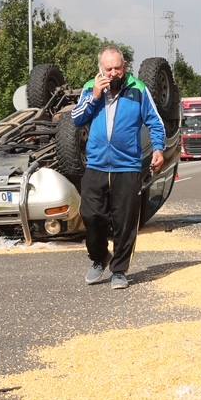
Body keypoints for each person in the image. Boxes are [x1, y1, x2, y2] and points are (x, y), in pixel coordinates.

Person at [71, 47, 167, 289]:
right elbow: (77, 118)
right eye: (108, 69)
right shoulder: (89, 88)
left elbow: (155, 122)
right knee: (91, 215)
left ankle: (120, 271)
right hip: (97, 165)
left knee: (125, 220)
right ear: (100, 70)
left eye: (117, 68)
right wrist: (94, 95)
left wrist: (158, 149)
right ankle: (99, 258)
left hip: (128, 166)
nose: (113, 73)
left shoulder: (138, 90)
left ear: (124, 68)